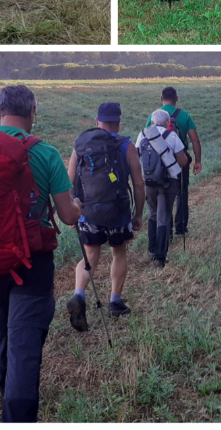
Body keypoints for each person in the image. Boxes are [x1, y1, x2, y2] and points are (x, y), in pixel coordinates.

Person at [0, 84, 81, 422]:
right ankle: (18, 417)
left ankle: (7, 394)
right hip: (32, 261)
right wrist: (77, 206)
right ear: (33, 113)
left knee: (2, 332)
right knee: (25, 346)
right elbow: (66, 216)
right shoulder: (46, 153)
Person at [66, 103, 144, 328]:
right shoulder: (126, 146)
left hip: (88, 212)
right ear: (118, 122)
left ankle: (79, 295)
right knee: (118, 253)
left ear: (96, 121)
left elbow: (70, 180)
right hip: (118, 212)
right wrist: (138, 214)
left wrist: (73, 211)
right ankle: (115, 302)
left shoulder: (80, 144)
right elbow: (138, 182)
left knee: (90, 256)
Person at [137, 110, 189, 267]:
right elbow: (182, 161)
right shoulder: (171, 136)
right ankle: (160, 256)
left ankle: (152, 250)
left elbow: (137, 155)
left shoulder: (142, 135)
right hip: (168, 182)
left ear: (152, 122)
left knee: (153, 214)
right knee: (164, 216)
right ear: (167, 123)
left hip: (148, 182)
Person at [148, 87, 202, 239]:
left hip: (158, 163)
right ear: (176, 99)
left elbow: (147, 138)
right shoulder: (184, 115)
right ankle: (181, 227)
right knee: (181, 192)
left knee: (163, 194)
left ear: (161, 98)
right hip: (180, 159)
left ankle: (167, 230)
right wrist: (197, 161)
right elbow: (195, 140)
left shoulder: (154, 116)